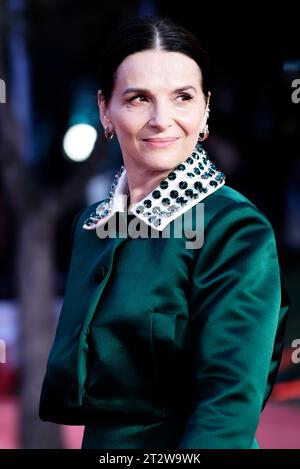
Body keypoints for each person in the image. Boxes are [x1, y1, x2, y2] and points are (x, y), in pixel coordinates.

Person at [39, 15, 290, 449]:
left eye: (182, 97)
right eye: (138, 99)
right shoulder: (93, 225)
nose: (162, 119)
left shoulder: (232, 227)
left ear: (205, 109)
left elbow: (229, 403)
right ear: (105, 110)